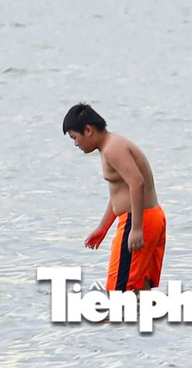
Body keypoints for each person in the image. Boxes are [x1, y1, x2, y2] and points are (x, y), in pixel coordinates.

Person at [63, 103, 166, 292]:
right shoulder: (111, 145)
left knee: (117, 297)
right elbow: (121, 192)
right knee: (139, 292)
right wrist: (103, 228)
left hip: (138, 220)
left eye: (75, 138)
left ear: (88, 130)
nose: (76, 144)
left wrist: (135, 228)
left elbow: (137, 182)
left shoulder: (112, 148)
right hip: (151, 217)